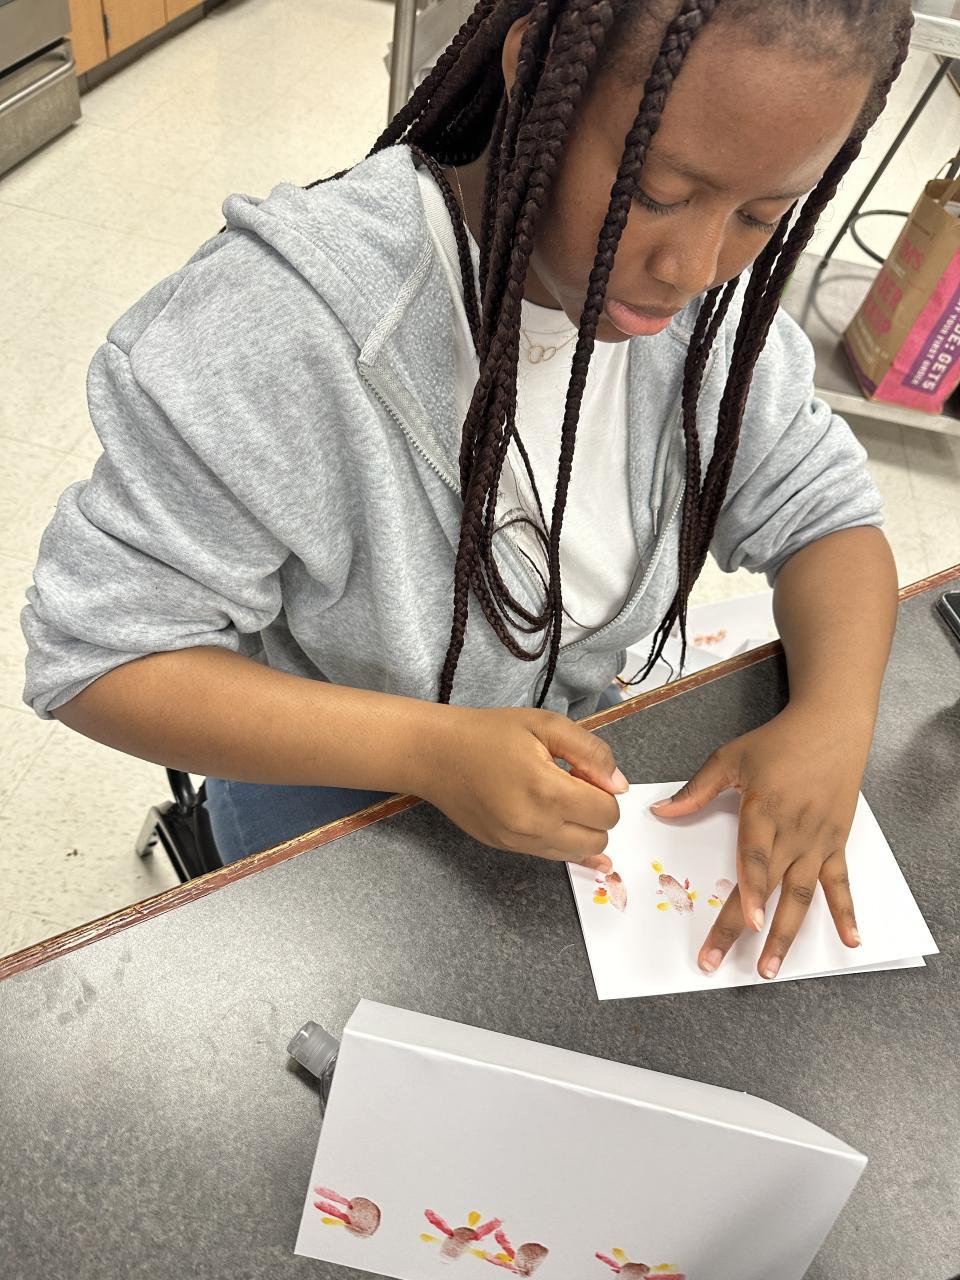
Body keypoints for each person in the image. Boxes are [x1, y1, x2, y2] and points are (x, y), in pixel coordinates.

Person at [22, 0, 912, 983]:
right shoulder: (291, 324)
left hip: (553, 790)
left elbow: (829, 520)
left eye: (761, 216)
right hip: (327, 800)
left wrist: (832, 724)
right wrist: (433, 751)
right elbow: (100, 653)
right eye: (657, 192)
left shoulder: (712, 324)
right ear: (536, 68)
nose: (692, 269)